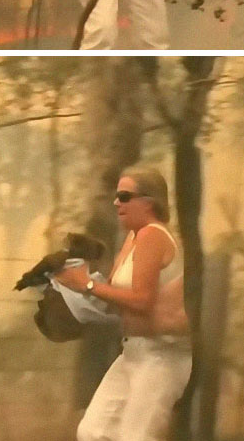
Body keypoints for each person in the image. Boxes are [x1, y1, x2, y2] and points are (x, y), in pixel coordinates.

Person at [55, 166, 191, 441]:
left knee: (136, 436)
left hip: (161, 354)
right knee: (94, 432)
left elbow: (142, 301)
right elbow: (119, 295)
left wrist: (88, 285)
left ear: (148, 202)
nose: (117, 202)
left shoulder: (153, 234)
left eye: (125, 196)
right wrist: (77, 291)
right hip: (133, 352)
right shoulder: (134, 236)